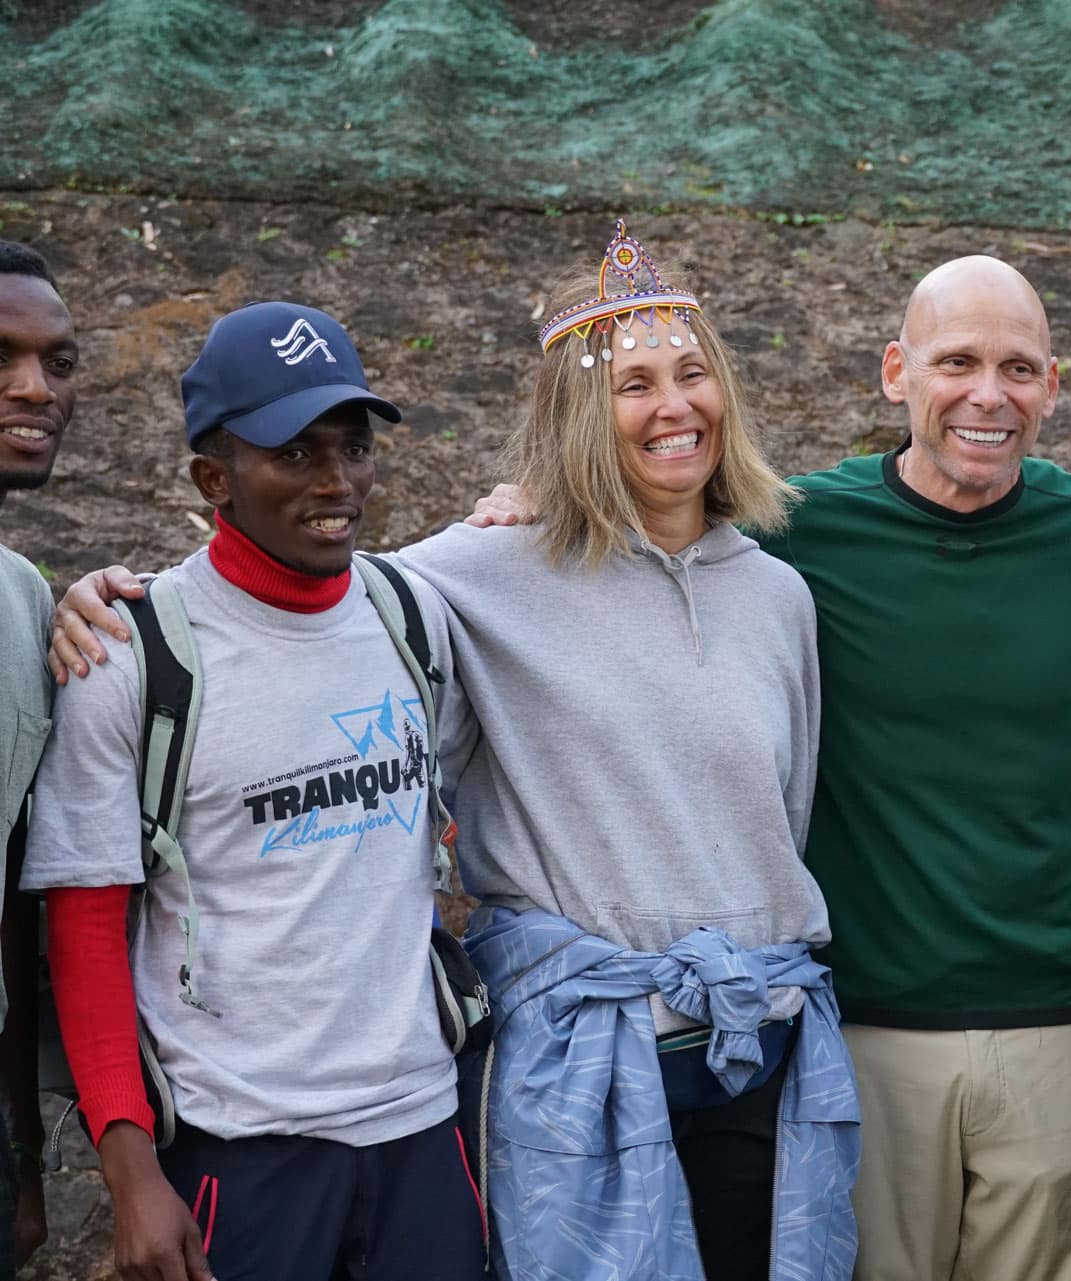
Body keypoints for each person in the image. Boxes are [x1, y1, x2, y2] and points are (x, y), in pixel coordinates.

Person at [50, 224, 860, 1281]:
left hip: (744, 1047)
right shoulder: (465, 578)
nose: (674, 407)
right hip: (558, 1066)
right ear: (578, 416)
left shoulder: (775, 597)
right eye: (633, 384)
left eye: (693, 374)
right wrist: (97, 598)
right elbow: (282, 585)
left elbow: (784, 814)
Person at [468, 253, 1071, 1281]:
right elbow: (653, 521)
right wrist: (544, 494)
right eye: (956, 362)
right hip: (862, 1025)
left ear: (1051, 386)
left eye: (1018, 368)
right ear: (895, 373)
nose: (988, 394)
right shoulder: (796, 535)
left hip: (1050, 1026)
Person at [23, 300, 485, 1281]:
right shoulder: (130, 655)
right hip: (241, 1146)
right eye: (295, 452)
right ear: (214, 479)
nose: (336, 481)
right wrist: (130, 1172)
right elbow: (86, 924)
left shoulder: (413, 613)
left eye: (354, 447)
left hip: (421, 1125)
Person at [0, 238, 73, 1275]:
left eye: (57, 361)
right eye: (3, 357)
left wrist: (23, 1152)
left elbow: (17, 899)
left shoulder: (27, 603)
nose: (35, 388)